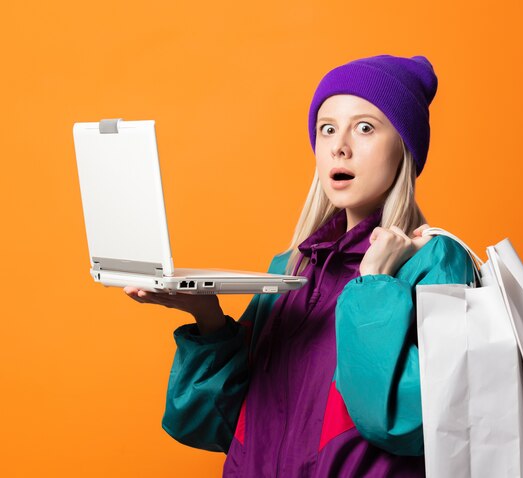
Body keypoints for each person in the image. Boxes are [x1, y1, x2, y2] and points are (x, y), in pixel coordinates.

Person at [125, 54, 474, 477]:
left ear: (404, 146)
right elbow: (211, 425)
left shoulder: (434, 262)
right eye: (327, 129)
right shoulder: (289, 270)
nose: (339, 145)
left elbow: (406, 424)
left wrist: (376, 283)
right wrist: (208, 319)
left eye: (365, 127)